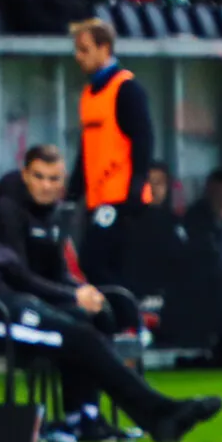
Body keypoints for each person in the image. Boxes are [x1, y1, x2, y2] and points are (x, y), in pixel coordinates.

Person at [0, 153, 222, 442]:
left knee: (83, 328)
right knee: (76, 336)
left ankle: (120, 416)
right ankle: (156, 414)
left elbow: (5, 264)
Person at [0, 143, 138, 442]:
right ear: (25, 175)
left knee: (102, 312)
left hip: (39, 298)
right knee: (78, 319)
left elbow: (56, 271)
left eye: (54, 179)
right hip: (6, 306)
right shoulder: (5, 212)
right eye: (39, 177)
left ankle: (87, 414)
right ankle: (77, 418)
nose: (46, 186)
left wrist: (80, 289)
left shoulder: (53, 214)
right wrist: (71, 297)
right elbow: (18, 276)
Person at [65, 21, 155, 292]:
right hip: (98, 198)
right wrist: (73, 192)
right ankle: (120, 323)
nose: (78, 56)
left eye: (84, 49)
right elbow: (88, 147)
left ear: (104, 49)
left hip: (120, 197)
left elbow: (143, 137)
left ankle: (127, 319)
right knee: (105, 264)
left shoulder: (125, 89)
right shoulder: (89, 95)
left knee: (94, 261)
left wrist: (137, 184)